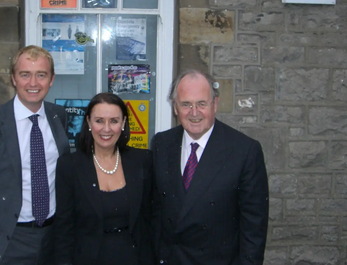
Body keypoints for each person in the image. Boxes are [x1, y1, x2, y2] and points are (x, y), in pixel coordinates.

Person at [0, 45, 70, 265]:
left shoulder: (59, 117)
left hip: (52, 237)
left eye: (41, 75)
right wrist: (0, 214)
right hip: (8, 240)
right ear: (13, 78)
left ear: (52, 79)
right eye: (25, 74)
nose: (33, 83)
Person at [151, 69, 269, 265]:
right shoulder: (161, 144)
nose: (194, 112)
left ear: (215, 104)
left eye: (201, 104)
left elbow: (254, 227)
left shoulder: (245, 151)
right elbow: (155, 211)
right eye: (186, 104)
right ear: (175, 107)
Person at [54, 93, 154, 265]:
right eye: (99, 120)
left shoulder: (143, 161)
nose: (106, 129)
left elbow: (151, 218)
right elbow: (64, 229)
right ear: (88, 123)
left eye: (114, 121)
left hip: (134, 258)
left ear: (123, 123)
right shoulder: (69, 166)